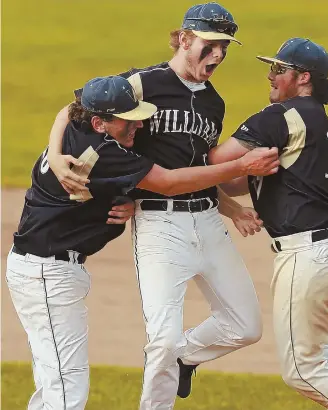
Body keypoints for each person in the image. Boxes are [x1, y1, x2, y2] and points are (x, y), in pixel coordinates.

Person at [46, 3, 282, 409]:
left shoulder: (214, 104)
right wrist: (54, 156)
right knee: (162, 338)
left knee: (246, 326)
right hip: (160, 228)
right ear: (185, 38)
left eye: (225, 46)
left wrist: (231, 208)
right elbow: (75, 109)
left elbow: (197, 171)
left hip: (207, 222)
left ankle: (185, 358)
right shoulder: (141, 84)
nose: (219, 54)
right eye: (210, 44)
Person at [209, 38, 328, 409]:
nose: (270, 75)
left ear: (304, 78)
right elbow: (233, 180)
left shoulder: (281, 116)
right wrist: (237, 180)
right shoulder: (316, 118)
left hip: (310, 257)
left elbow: (216, 162)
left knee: (302, 370)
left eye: (278, 69)